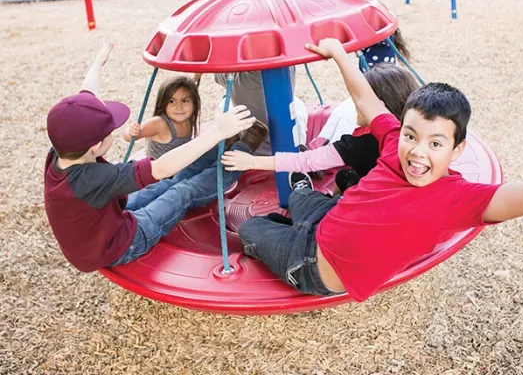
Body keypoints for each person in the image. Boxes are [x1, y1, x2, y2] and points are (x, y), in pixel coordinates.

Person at [238, 39, 523, 302]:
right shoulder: (393, 139)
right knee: (303, 199)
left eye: (435, 143)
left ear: (457, 149)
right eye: (411, 136)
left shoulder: (455, 199)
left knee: (251, 227)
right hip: (331, 221)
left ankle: (287, 226)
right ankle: (300, 210)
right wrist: (338, 54)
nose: (416, 152)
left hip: (312, 264)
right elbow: (368, 99)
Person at [43, 42, 267, 273]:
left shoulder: (60, 152)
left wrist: (98, 63)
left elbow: (86, 96)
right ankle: (239, 153)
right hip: (121, 245)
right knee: (181, 192)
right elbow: (159, 168)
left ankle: (222, 145)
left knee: (169, 184)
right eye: (110, 131)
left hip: (107, 222)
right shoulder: (94, 178)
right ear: (96, 146)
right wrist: (217, 131)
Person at [221, 63, 420, 193]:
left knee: (289, 210)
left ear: (380, 105)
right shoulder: (413, 137)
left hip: (370, 204)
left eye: (357, 100)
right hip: (390, 195)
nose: (352, 104)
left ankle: (306, 197)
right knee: (345, 176)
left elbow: (305, 161)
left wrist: (251, 162)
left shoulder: (360, 145)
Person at [121, 76, 200, 159]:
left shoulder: (188, 117)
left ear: (194, 105)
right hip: (159, 170)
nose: (179, 107)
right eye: (172, 101)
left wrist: (195, 77)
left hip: (180, 165)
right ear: (163, 103)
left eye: (184, 101)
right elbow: (126, 136)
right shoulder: (160, 124)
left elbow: (188, 90)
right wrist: (131, 132)